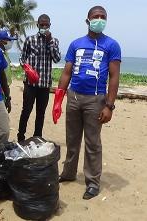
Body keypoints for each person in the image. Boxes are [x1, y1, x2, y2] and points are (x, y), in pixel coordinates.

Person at [52, 6, 121, 200]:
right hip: (73, 98)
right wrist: (58, 99)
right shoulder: (76, 44)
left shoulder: (112, 45)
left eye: (103, 17)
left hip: (96, 100)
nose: (99, 19)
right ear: (87, 20)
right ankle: (68, 173)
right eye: (95, 17)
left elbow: (114, 77)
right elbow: (66, 72)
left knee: (92, 143)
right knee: (72, 140)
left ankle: (92, 182)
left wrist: (109, 105)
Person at [17, 14, 61, 142]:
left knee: (40, 113)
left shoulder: (55, 41)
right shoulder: (30, 40)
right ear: (37, 25)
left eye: (46, 25)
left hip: (45, 84)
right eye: (41, 25)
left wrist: (50, 43)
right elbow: (22, 57)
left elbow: (57, 59)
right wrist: (27, 68)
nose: (44, 27)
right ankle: (21, 136)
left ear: (50, 25)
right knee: (26, 111)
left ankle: (37, 137)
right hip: (30, 84)